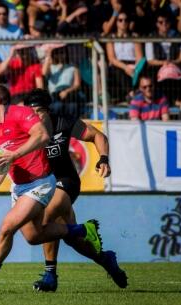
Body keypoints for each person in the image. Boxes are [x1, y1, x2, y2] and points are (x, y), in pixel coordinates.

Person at [0, 84, 102, 294]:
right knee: (34, 236)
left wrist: (14, 155)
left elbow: (42, 136)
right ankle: (82, 230)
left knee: (7, 226)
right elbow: (1, 168)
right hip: (20, 187)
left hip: (41, 183)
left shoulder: (21, 112)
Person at [24, 88, 128, 291]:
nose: (34, 117)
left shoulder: (63, 122)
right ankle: (106, 259)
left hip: (66, 181)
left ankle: (50, 276)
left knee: (45, 219)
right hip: (43, 184)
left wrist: (104, 158)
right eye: (30, 113)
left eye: (38, 112)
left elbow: (97, 136)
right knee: (71, 238)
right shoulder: (24, 128)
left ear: (47, 110)